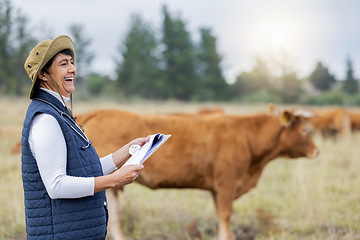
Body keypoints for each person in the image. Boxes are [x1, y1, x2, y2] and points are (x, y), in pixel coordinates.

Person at [21, 35, 148, 240]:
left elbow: (83, 172)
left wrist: (125, 152)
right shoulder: (46, 119)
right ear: (44, 74)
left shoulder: (59, 113)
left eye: (72, 62)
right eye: (63, 64)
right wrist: (112, 181)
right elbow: (56, 186)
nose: (72, 69)